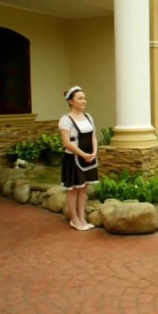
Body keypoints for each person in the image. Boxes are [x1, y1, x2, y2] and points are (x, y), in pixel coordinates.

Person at [59, 86, 99, 231]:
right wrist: (82, 154)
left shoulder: (88, 117)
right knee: (74, 189)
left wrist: (94, 152)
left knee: (83, 188)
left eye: (84, 98)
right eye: (80, 98)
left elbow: (93, 136)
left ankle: (82, 217)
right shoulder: (66, 120)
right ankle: (74, 219)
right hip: (74, 158)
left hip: (89, 158)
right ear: (71, 101)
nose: (84, 101)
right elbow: (66, 143)